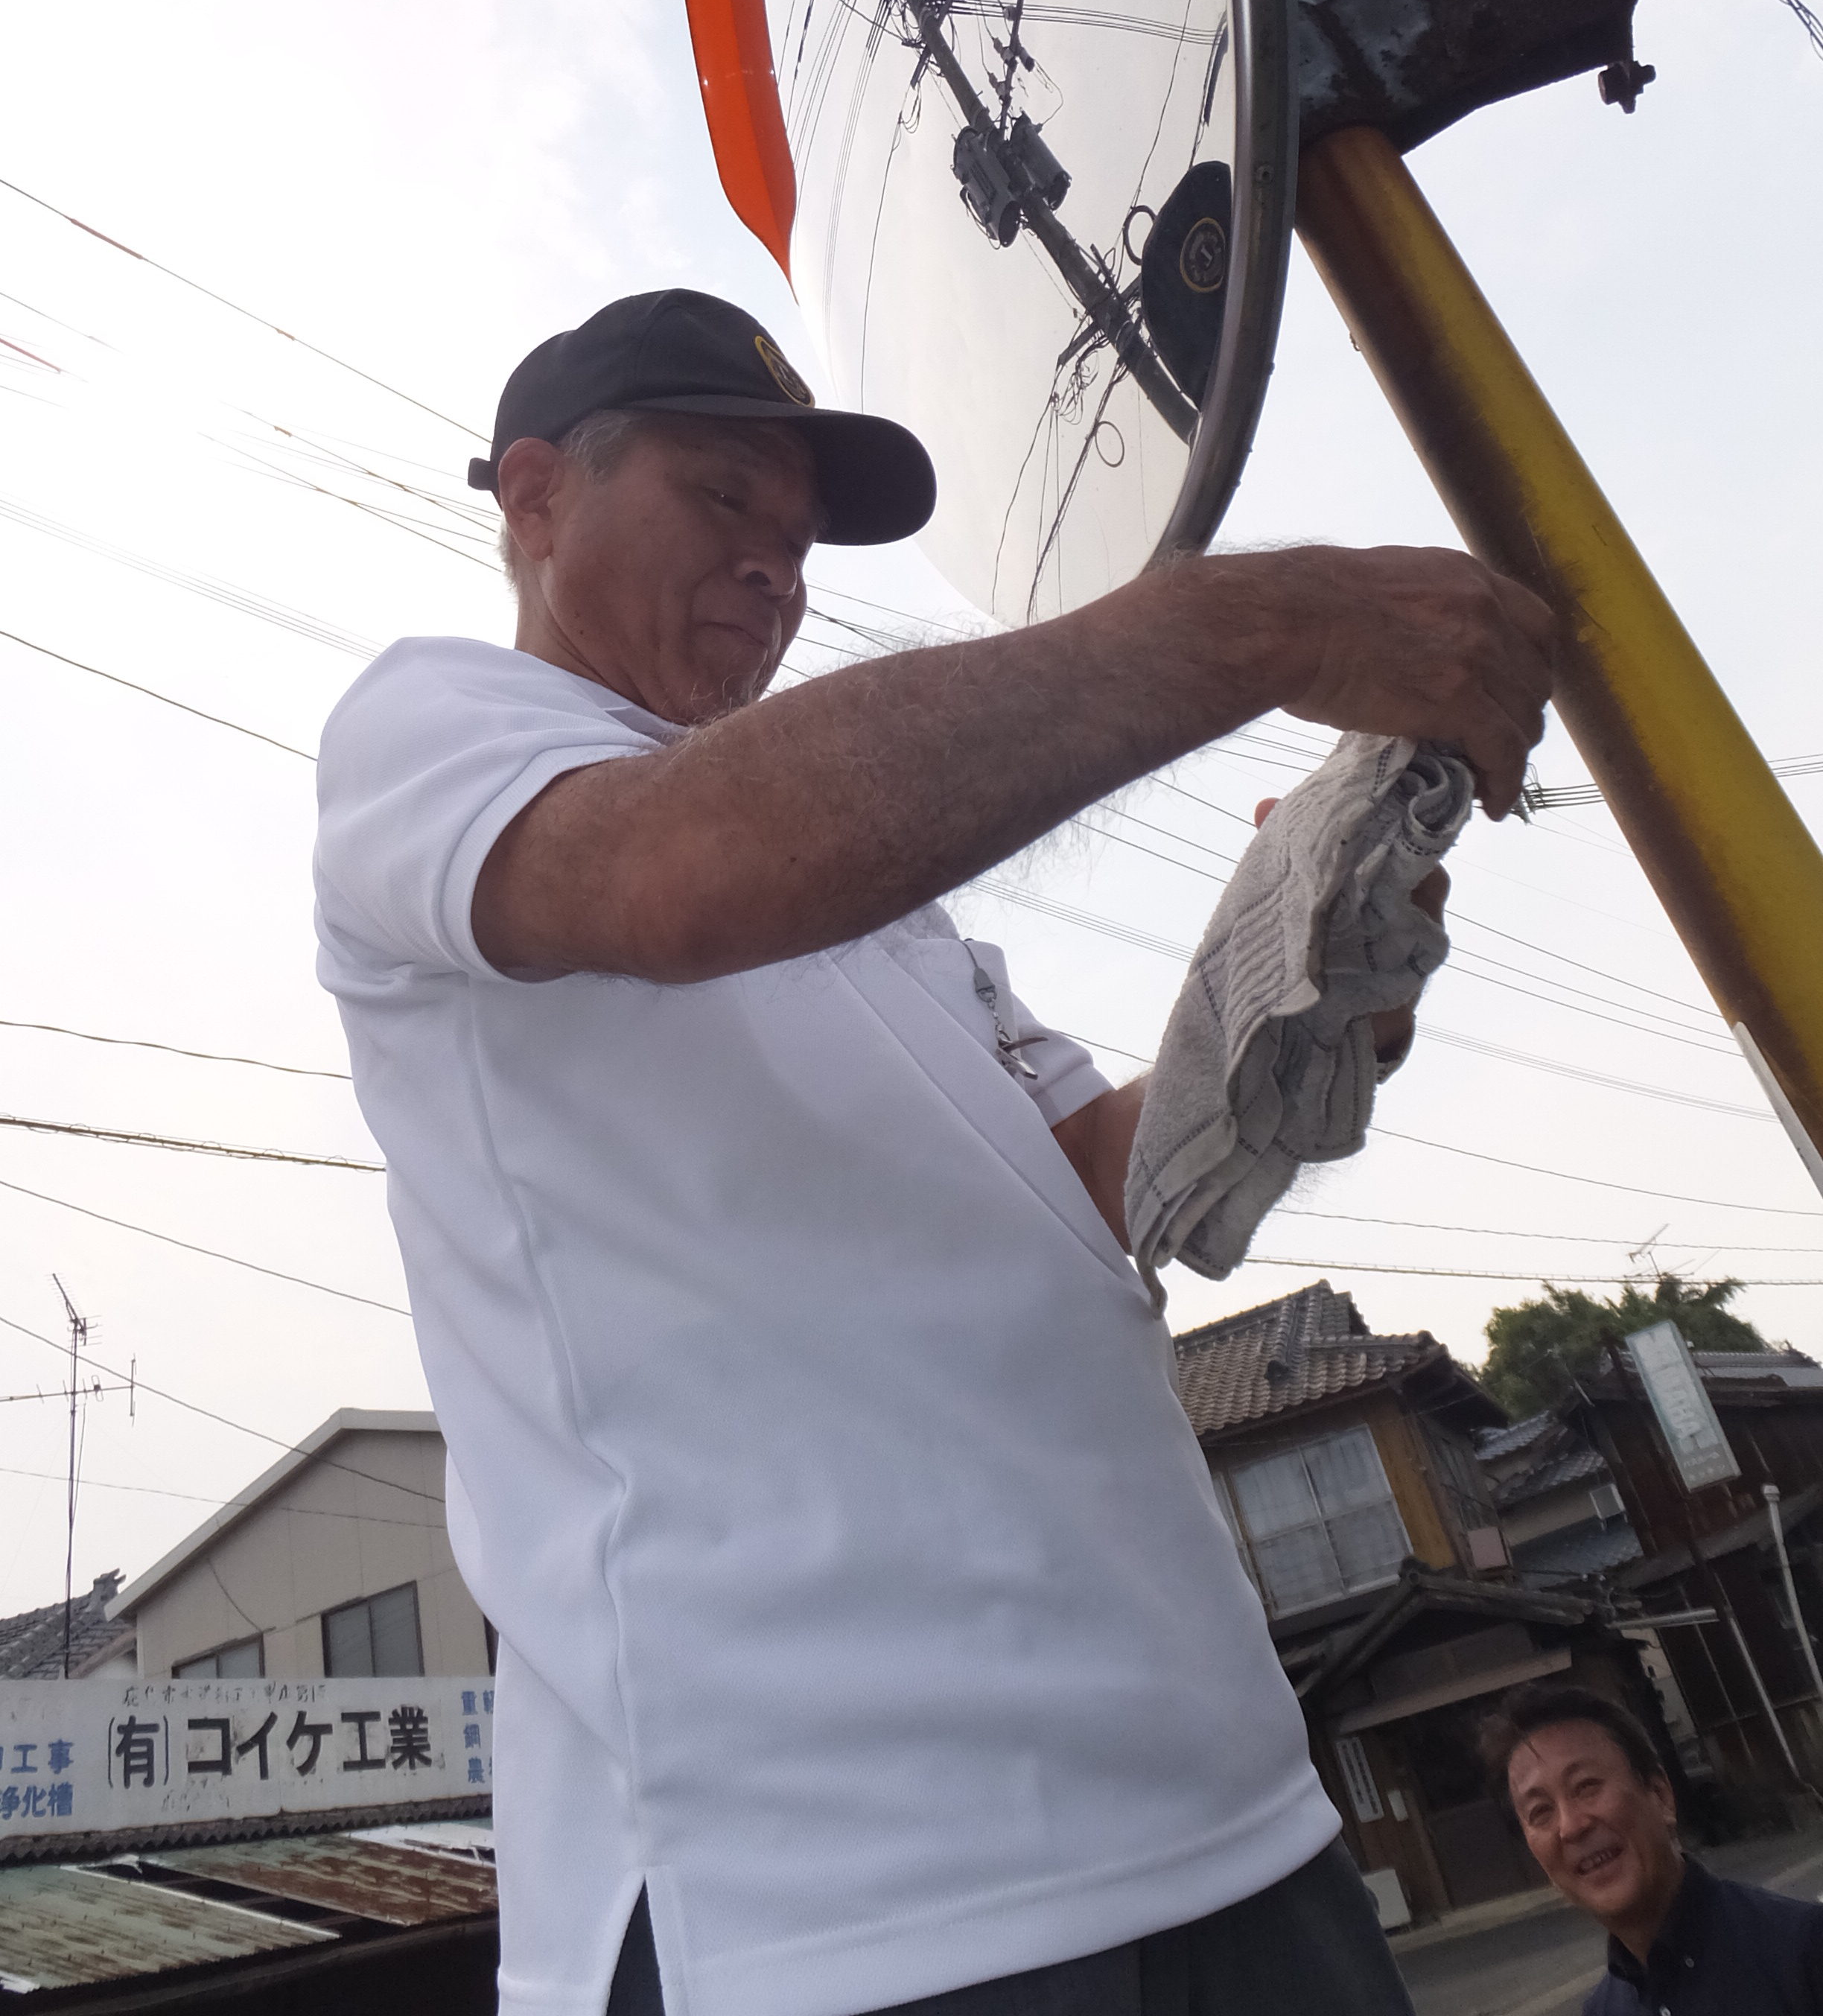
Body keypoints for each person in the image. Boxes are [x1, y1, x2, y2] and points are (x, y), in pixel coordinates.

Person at [314, 287, 1554, 2016]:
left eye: (800, 538)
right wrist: (1253, 625)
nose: (773, 566)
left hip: (1216, 1796)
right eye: (719, 499)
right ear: (534, 500)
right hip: (836, 1892)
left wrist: (1292, 988)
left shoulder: (889, 896)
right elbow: (685, 873)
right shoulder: (437, 733)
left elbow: (1116, 1186)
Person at [1487, 1679, 1823, 2012]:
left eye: (1586, 1786)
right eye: (1541, 1812)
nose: (1571, 1827)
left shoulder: (1803, 1952)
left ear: (1661, 1795)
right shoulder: (1604, 2010)